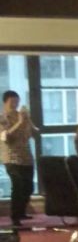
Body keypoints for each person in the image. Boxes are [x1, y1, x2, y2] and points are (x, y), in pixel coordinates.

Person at [0, 90, 40, 227]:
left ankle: (21, 212)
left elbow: (34, 133)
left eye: (17, 102)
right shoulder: (2, 118)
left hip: (26, 157)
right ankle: (15, 217)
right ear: (5, 102)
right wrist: (19, 123)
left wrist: (28, 120)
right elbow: (5, 137)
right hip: (11, 158)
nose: (15, 105)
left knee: (29, 187)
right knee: (18, 186)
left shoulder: (22, 116)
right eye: (12, 102)